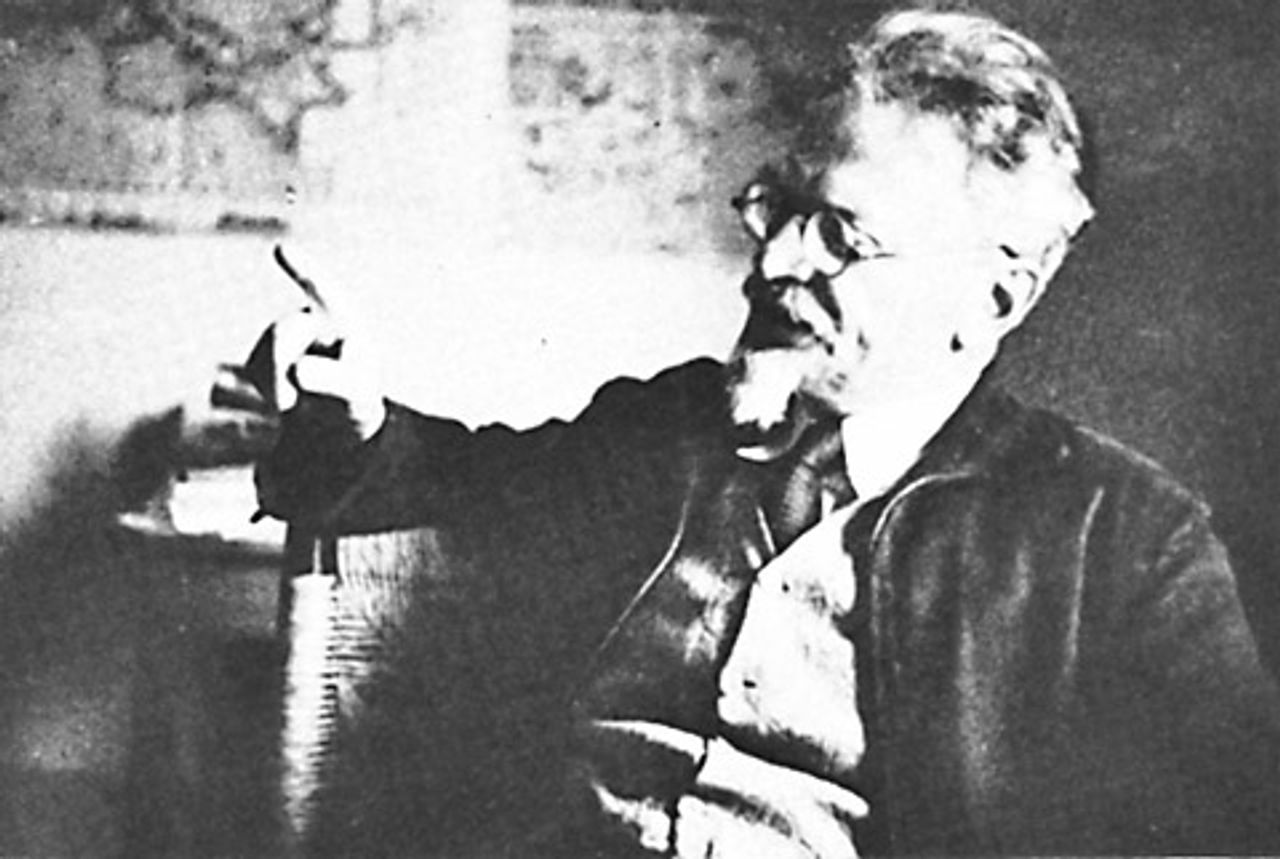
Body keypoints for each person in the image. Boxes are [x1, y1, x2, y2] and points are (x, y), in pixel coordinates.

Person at [254, 8, 1280, 857]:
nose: (773, 261)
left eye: (839, 235)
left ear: (994, 298)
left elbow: (1238, 816)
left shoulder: (1121, 537)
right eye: (779, 207)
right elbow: (453, 482)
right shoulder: (667, 427)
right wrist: (352, 416)